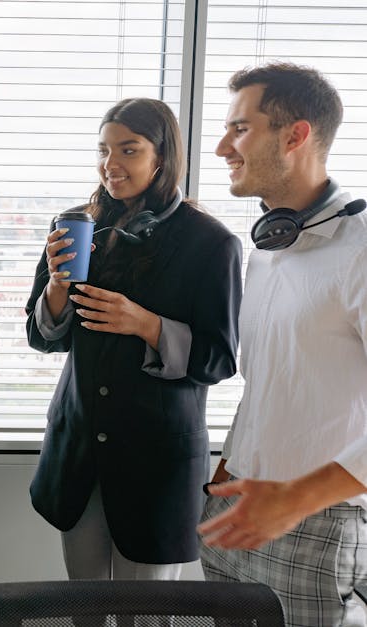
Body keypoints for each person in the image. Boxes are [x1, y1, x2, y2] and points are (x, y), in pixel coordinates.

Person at [25, 98, 242, 584]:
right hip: (79, 452)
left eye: (128, 149)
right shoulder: (76, 224)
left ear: (161, 156)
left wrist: (147, 325)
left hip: (156, 464)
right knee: (84, 605)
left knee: (147, 614)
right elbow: (42, 338)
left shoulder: (212, 243)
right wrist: (57, 287)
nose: (111, 164)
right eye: (103, 150)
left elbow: (220, 359)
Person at [198, 62, 367, 626]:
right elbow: (272, 381)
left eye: (240, 129)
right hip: (240, 502)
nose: (222, 146)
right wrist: (229, 463)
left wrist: (293, 498)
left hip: (313, 519)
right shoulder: (271, 246)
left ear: (295, 135)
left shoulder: (361, 250)